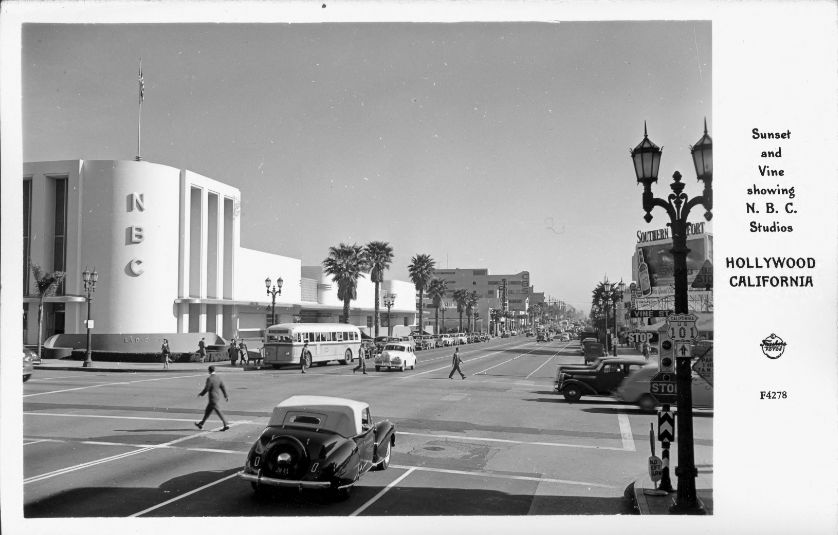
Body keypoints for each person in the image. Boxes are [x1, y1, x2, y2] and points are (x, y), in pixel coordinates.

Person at [195, 365, 229, 431]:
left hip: (212, 398)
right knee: (208, 411)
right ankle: (201, 424)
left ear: (209, 371)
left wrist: (201, 394)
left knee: (218, 411)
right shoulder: (218, 378)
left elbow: (207, 388)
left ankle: (225, 424)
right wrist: (226, 395)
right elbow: (223, 387)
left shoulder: (210, 379)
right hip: (217, 397)